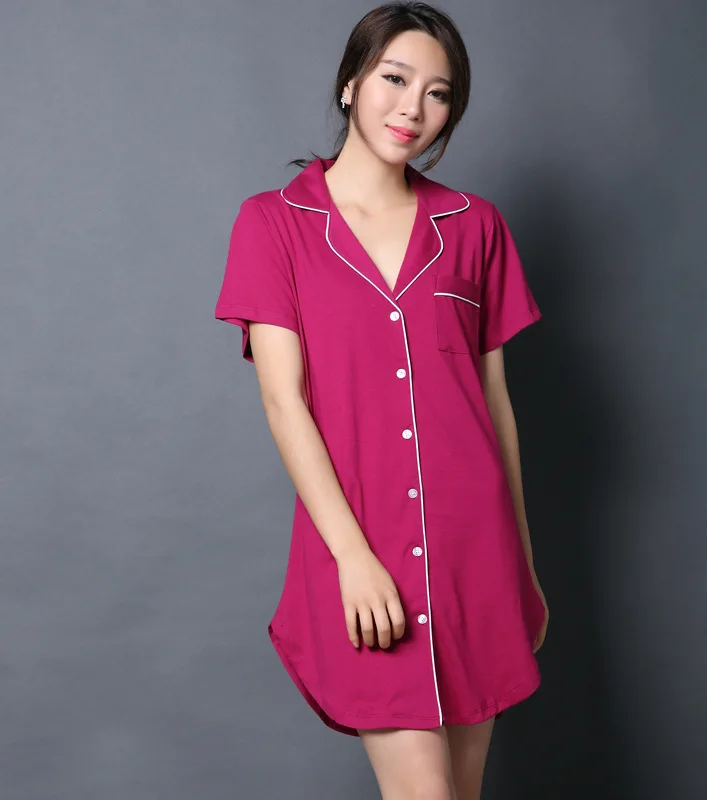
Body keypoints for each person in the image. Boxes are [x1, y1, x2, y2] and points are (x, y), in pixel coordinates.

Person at [214, 2, 549, 797]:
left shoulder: (475, 227)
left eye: (438, 93)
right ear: (351, 84)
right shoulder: (274, 224)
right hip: (366, 556)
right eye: (395, 79)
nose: (413, 108)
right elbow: (284, 402)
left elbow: (494, 406)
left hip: (476, 557)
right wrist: (353, 558)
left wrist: (525, 566)